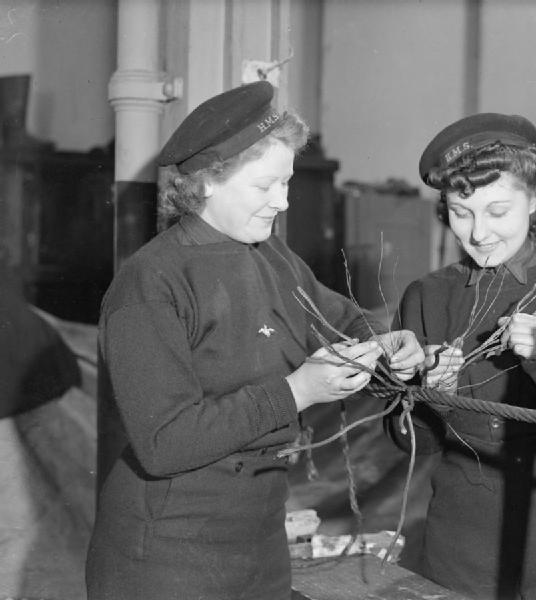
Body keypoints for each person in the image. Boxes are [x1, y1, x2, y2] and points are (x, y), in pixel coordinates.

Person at [85, 80, 424, 600]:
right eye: (265, 186)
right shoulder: (150, 283)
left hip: (258, 546)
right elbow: (164, 443)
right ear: (207, 183)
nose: (282, 202)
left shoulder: (271, 255)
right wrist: (296, 392)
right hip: (168, 558)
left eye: (286, 183)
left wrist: (386, 349)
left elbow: (342, 319)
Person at [385, 113, 536, 600]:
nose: (478, 233)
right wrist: (432, 393)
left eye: (497, 211)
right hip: (463, 539)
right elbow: (406, 440)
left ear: (535, 198)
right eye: (462, 212)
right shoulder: (426, 296)